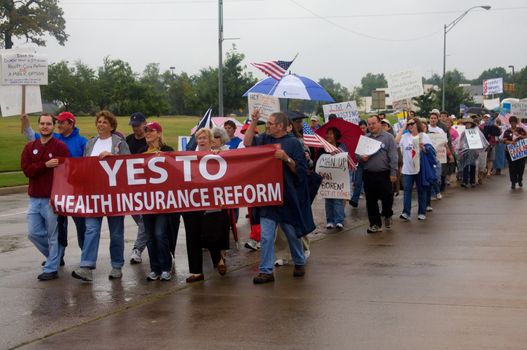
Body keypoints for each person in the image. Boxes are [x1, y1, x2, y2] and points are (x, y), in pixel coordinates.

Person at [244, 110, 315, 284]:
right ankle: (266, 270)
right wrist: (254, 121)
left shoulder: (293, 143)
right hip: (269, 195)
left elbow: (300, 171)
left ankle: (299, 261)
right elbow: (247, 143)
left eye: (270, 123)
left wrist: (286, 158)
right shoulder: (265, 139)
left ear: (281, 126)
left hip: (287, 196)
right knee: (267, 236)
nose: (267, 126)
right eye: (266, 122)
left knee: (291, 233)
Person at [72, 111, 131, 282]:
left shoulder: (120, 143)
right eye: (99, 121)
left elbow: (129, 165)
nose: (101, 124)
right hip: (94, 195)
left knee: (116, 232)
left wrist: (114, 157)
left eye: (105, 122)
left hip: (114, 196)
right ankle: (86, 266)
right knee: (91, 229)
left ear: (111, 126)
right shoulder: (90, 143)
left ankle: (117, 265)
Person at [21, 111, 87, 261]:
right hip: (57, 193)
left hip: (75, 191)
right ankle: (57, 257)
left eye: (62, 122)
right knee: (59, 228)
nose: (58, 125)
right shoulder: (55, 138)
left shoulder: (82, 141)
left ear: (71, 123)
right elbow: (33, 137)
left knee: (81, 225)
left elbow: (88, 162)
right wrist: (26, 124)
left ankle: (85, 258)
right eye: (57, 122)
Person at [21, 113, 70, 280]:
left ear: (53, 126)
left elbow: (67, 171)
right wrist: (45, 165)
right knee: (33, 233)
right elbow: (27, 170)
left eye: (48, 124)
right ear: (39, 125)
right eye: (42, 124)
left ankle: (51, 268)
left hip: (52, 198)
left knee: (53, 234)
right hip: (35, 197)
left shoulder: (60, 147)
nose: (45, 127)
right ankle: (54, 256)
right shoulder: (30, 147)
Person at [182, 128, 230, 283]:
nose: (201, 140)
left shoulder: (217, 155)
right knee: (192, 235)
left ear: (210, 140)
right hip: (192, 201)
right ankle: (196, 272)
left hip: (211, 201)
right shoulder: (189, 156)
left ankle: (217, 258)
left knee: (209, 234)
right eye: (199, 138)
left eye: (204, 138)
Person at [137, 122, 178, 281]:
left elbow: (176, 171)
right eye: (145, 130)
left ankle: (166, 267)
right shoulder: (141, 152)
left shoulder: (168, 151)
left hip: (163, 201)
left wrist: (165, 160)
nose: (147, 133)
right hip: (146, 201)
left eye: (151, 130)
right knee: (149, 236)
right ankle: (155, 268)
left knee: (160, 233)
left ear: (159, 133)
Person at [358, 115, 398, 233]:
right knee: (371, 200)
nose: (371, 126)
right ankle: (375, 224)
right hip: (369, 174)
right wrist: (362, 158)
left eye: (373, 123)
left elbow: (393, 156)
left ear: (379, 123)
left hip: (384, 174)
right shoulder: (365, 138)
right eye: (369, 124)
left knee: (387, 197)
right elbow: (357, 156)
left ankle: (387, 214)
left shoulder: (388, 138)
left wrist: (393, 172)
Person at [396, 117, 433, 221]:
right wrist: (403, 128)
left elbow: (430, 152)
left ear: (417, 124)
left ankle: (421, 212)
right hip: (407, 169)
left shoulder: (424, 136)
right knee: (407, 191)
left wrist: (424, 148)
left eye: (412, 123)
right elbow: (396, 142)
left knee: (421, 190)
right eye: (408, 124)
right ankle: (406, 213)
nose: (410, 126)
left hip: (420, 168)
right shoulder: (405, 136)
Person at [126, 112, 148, 264]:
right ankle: (149, 241)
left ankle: (137, 249)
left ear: (144, 124)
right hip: (130, 186)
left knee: (144, 220)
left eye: (138, 125)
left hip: (146, 186)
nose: (135, 129)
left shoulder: (149, 139)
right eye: (133, 126)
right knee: (140, 219)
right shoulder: (128, 140)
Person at [456, 118, 488, 188]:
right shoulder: (464, 132)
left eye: (469, 124)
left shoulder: (476, 132)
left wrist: (478, 148)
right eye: (466, 124)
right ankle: (465, 181)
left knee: (473, 165)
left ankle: (472, 181)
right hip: (465, 151)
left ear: (471, 124)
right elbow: (460, 141)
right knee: (465, 165)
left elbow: (481, 140)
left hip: (474, 151)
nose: (467, 125)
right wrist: (460, 148)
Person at [502, 116, 527, 189]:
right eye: (512, 122)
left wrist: (520, 136)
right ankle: (513, 182)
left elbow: (526, 136)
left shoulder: (520, 129)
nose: (513, 124)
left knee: (521, 167)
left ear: (516, 123)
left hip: (520, 151)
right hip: (510, 152)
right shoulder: (507, 131)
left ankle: (520, 180)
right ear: (510, 123)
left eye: (514, 122)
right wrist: (511, 142)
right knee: (512, 167)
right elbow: (504, 141)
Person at [349, 120, 367, 208]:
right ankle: (354, 200)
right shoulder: (356, 138)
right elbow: (355, 152)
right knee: (358, 182)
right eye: (360, 128)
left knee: (368, 184)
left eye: (364, 128)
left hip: (369, 165)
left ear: (366, 128)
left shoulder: (370, 137)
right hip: (360, 163)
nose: (362, 130)